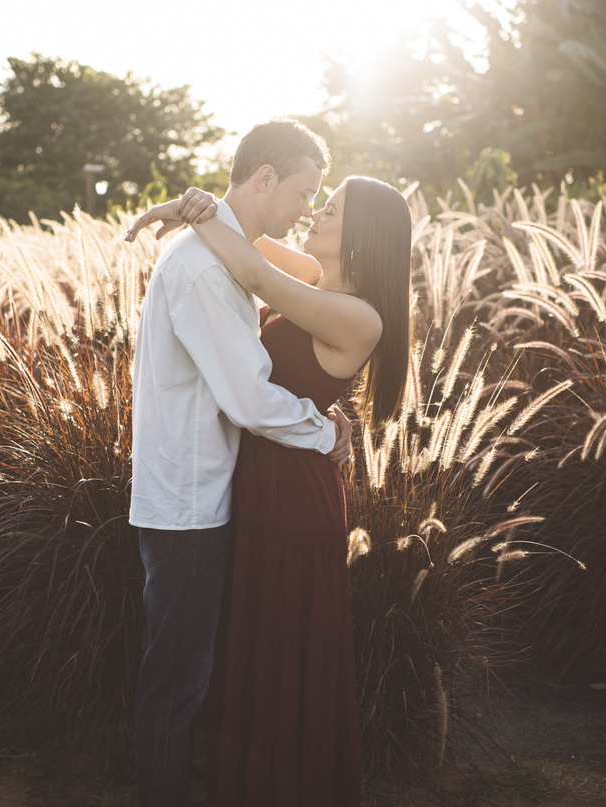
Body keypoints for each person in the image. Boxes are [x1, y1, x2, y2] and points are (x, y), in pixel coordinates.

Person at [127, 174, 413, 806]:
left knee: (281, 649)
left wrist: (195, 213)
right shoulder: (319, 277)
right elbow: (244, 233)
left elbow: (253, 274)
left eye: (330, 209)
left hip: (292, 494)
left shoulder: (357, 315)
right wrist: (188, 206)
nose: (314, 212)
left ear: (361, 237)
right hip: (259, 478)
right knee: (256, 647)